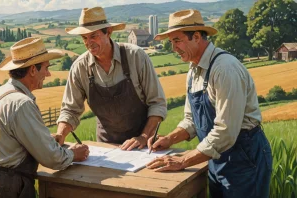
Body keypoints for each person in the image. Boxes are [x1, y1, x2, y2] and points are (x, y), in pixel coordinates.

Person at [146, 9, 272, 198]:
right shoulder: (193, 70)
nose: (174, 48)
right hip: (215, 157)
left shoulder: (224, 69)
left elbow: (226, 131)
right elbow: (191, 120)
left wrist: (182, 161)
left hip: (244, 159)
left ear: (196, 36)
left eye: (177, 40)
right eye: (171, 42)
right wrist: (169, 139)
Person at [0, 37, 89, 198]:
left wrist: (44, 140)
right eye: (46, 68)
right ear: (33, 70)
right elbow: (52, 159)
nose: (48, 74)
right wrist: (74, 154)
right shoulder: (22, 103)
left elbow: (8, 143)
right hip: (6, 186)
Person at [54, 7, 167, 151]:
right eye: (84, 38)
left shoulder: (136, 57)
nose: (89, 42)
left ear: (108, 32)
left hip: (143, 145)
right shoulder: (79, 68)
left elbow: (157, 103)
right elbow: (70, 110)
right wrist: (60, 134)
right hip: (106, 147)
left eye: (93, 36)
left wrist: (144, 136)